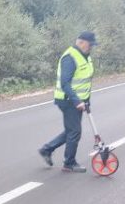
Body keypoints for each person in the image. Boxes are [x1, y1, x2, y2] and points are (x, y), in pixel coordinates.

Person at [39, 31, 97, 173]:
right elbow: (65, 83)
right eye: (90, 45)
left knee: (71, 130)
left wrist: (86, 101)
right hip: (68, 100)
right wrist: (77, 101)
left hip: (77, 100)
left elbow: (84, 82)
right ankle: (69, 163)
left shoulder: (85, 57)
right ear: (81, 42)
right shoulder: (70, 57)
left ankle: (46, 149)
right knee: (75, 131)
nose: (91, 48)